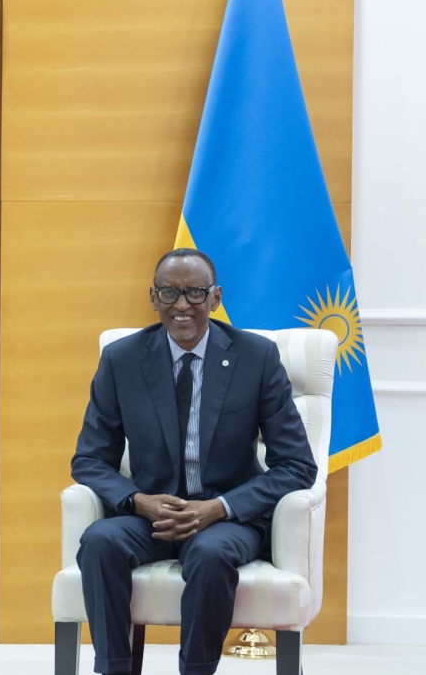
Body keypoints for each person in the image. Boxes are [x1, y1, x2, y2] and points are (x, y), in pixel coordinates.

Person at [71, 248, 318, 675]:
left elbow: (297, 465)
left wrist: (218, 508)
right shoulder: (122, 359)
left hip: (227, 518)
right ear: (153, 297)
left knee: (209, 553)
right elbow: (89, 459)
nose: (181, 304)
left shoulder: (256, 358)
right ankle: (113, 668)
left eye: (195, 293)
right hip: (152, 516)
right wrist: (139, 502)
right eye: (169, 292)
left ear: (215, 298)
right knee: (99, 540)